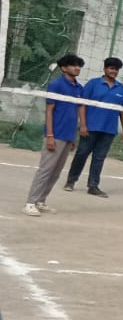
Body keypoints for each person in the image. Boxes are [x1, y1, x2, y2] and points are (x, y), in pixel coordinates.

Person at [23, 53, 85, 216]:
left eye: (79, 65)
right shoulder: (56, 85)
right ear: (64, 68)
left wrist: (73, 137)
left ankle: (40, 200)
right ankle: (30, 202)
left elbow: (76, 113)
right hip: (55, 134)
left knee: (56, 172)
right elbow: (49, 111)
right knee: (45, 170)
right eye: (73, 65)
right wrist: (50, 135)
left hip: (68, 135)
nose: (77, 68)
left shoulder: (79, 88)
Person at [64, 57, 123, 198]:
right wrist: (83, 124)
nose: (114, 71)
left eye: (116, 69)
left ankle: (93, 186)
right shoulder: (93, 84)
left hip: (109, 130)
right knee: (81, 154)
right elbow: (82, 104)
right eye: (111, 68)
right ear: (105, 69)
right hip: (91, 127)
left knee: (99, 158)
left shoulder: (121, 89)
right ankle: (71, 181)